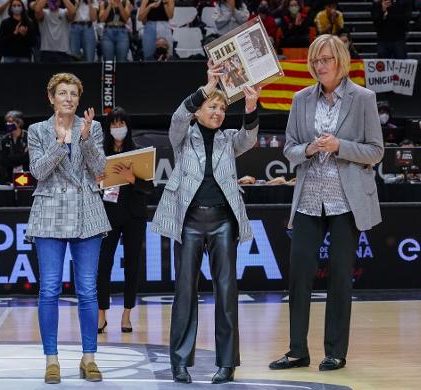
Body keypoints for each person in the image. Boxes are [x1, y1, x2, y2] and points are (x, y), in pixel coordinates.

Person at [269, 34, 383, 372]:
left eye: (326, 60)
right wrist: (309, 149)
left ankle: (335, 351)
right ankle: (296, 350)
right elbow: (289, 148)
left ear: (341, 62)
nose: (320, 66)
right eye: (316, 60)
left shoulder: (363, 98)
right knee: (299, 275)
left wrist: (339, 146)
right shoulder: (301, 98)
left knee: (339, 278)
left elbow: (376, 151)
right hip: (307, 199)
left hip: (346, 201)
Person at [151, 60, 261, 384]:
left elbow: (249, 138)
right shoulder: (182, 136)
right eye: (212, 107)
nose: (217, 112)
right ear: (199, 111)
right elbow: (176, 118)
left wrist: (251, 107)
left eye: (221, 109)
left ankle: (227, 363)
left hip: (223, 222)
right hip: (188, 222)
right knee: (185, 292)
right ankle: (180, 363)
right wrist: (206, 88)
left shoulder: (228, 139)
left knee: (226, 292)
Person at [25, 72, 110, 384]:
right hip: (49, 214)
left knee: (88, 290)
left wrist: (85, 138)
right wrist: (61, 142)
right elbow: (38, 171)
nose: (69, 99)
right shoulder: (37, 130)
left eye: (74, 93)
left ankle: (89, 358)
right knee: (49, 289)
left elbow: (101, 169)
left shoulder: (93, 128)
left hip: (87, 213)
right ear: (52, 98)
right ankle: (52, 359)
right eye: (63, 93)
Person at [96, 107, 153, 334]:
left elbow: (149, 187)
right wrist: (96, 179)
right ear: (108, 128)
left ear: (127, 127)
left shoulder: (138, 153)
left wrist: (132, 179)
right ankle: (101, 314)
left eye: (121, 124)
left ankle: (127, 314)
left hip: (134, 217)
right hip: (108, 216)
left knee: (132, 265)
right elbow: (90, 184)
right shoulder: (100, 154)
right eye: (113, 124)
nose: (118, 129)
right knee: (103, 265)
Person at [0, 110, 29, 184]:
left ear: (19, 123)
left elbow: (28, 157)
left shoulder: (28, 137)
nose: (8, 124)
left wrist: (13, 158)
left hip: (26, 175)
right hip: (10, 176)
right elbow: (3, 159)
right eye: (7, 122)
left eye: (11, 122)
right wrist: (18, 159)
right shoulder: (4, 139)